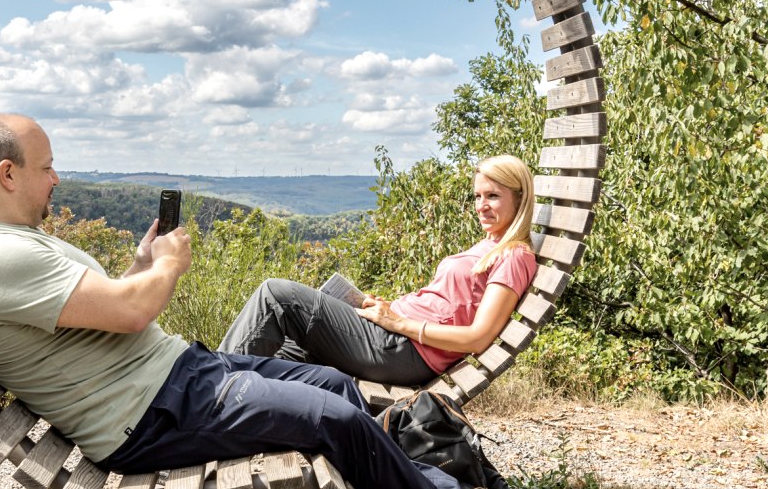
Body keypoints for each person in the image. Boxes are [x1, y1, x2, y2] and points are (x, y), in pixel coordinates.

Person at [0, 113, 547, 489]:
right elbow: (130, 312)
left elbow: (102, 308)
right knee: (333, 414)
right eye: (46, 167)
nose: (56, 178)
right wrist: (168, 266)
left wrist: (141, 260)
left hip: (176, 379)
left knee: (334, 385)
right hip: (151, 415)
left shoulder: (11, 244)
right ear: (7, 173)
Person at [220, 155, 538, 387]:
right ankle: (223, 413)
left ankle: (208, 393)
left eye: (493, 196)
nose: (481, 205)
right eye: (478, 196)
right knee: (283, 354)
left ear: (520, 198)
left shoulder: (514, 256)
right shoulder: (489, 245)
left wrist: (398, 321)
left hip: (402, 351)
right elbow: (449, 305)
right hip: (392, 337)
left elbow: (477, 337)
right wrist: (386, 308)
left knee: (278, 295)